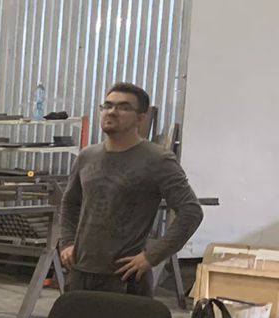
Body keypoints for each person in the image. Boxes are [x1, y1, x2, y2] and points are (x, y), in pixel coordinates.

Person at [57, 82, 202, 295]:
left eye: (123, 107)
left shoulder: (158, 160)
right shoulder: (87, 156)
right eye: (107, 106)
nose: (112, 112)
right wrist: (67, 243)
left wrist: (151, 257)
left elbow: (191, 211)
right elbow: (70, 203)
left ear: (140, 118)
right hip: (80, 272)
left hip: (125, 278)